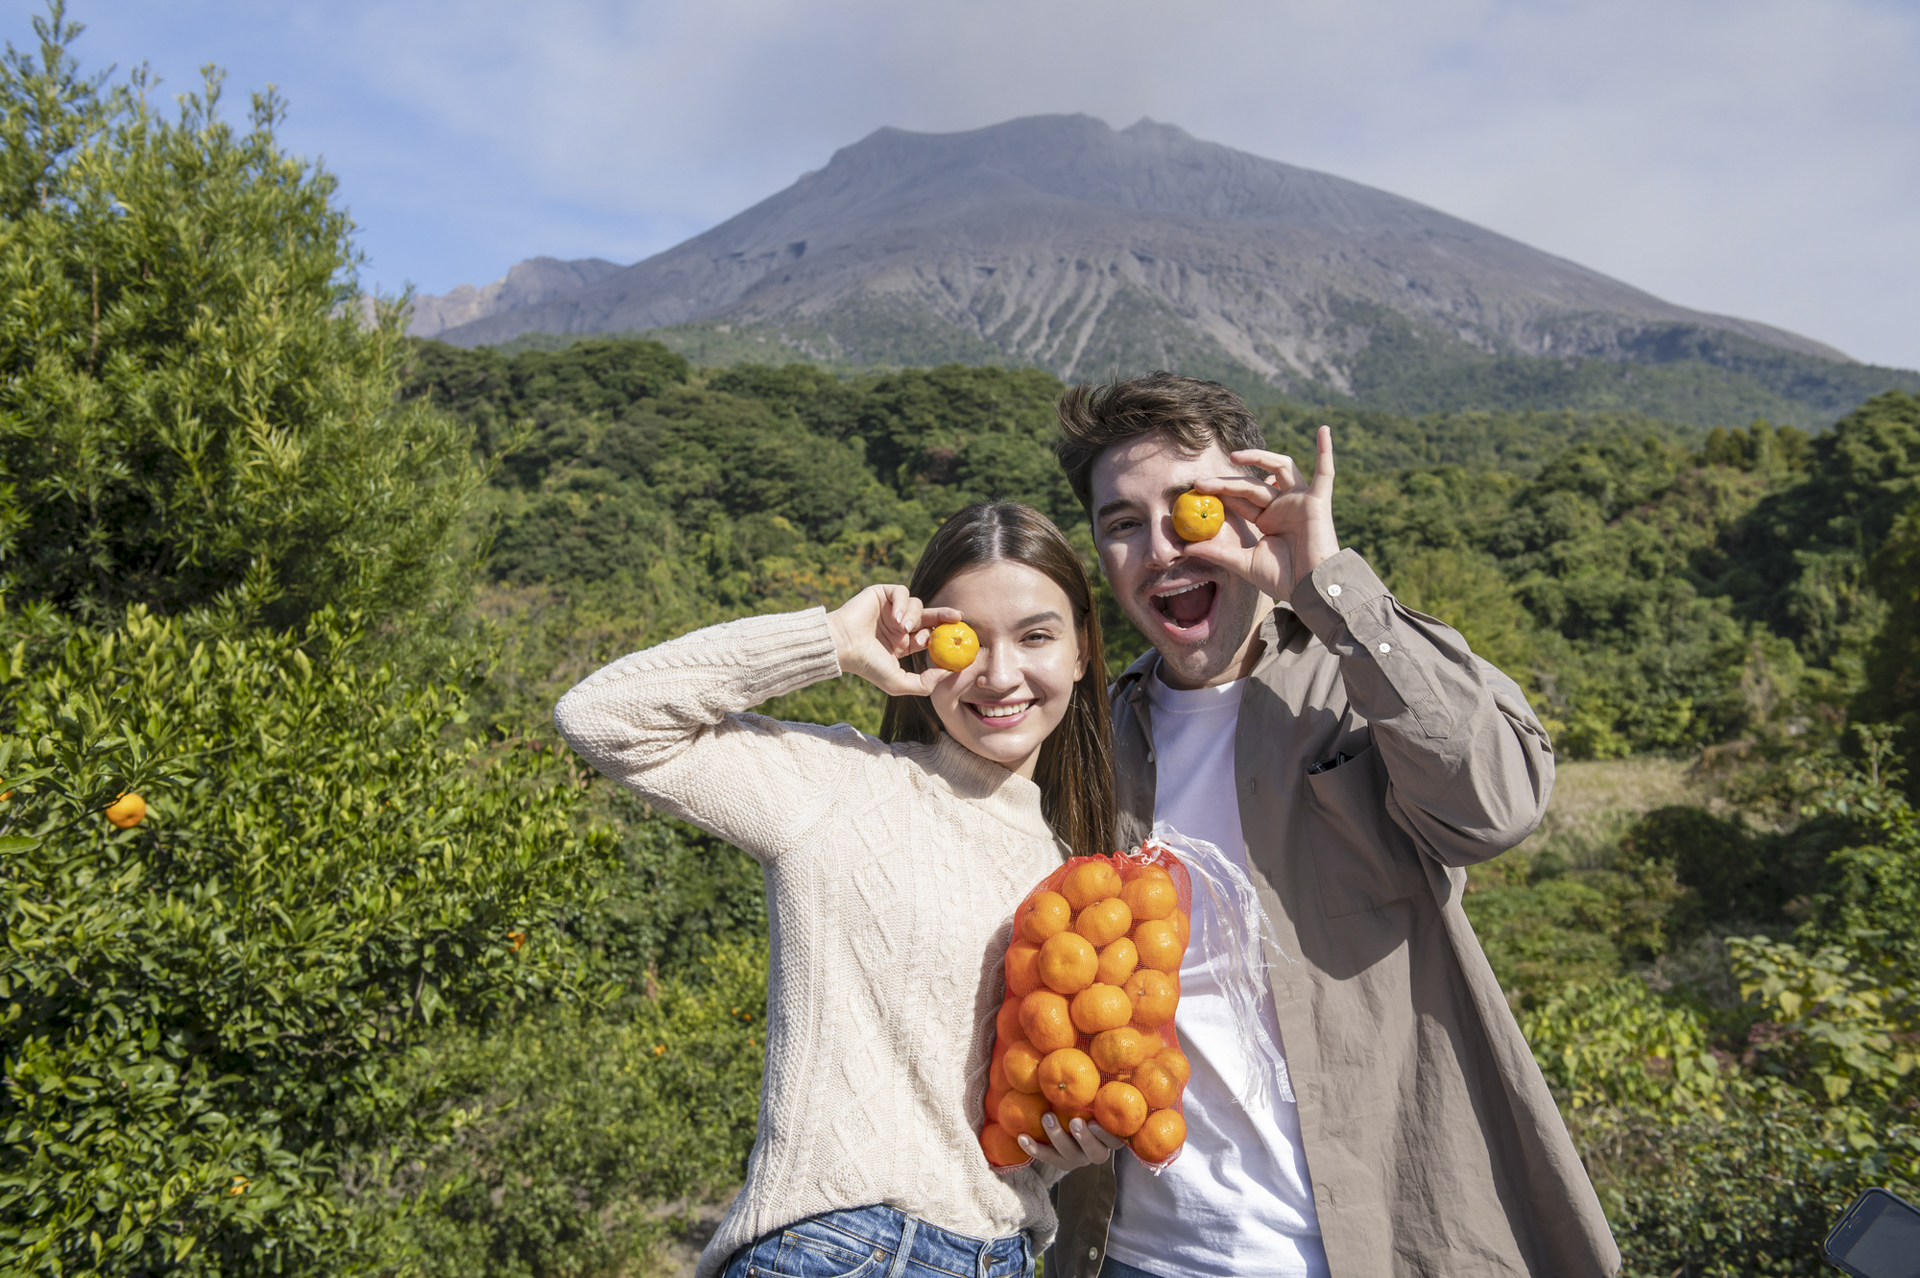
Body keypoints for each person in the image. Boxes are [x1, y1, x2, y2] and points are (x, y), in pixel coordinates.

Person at [1045, 374, 1619, 1278]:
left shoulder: (1359, 683)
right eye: (1122, 524)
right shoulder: (1090, 744)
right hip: (1140, 1256)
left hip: (1377, 1245)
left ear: (1252, 511)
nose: (1160, 549)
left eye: (1189, 508)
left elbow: (1499, 803)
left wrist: (1332, 592)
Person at [554, 501, 1127, 1278]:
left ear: (1083, 648)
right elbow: (601, 717)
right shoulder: (841, 786)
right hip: (836, 1251)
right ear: (924, 647)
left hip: (999, 1257)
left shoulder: (1077, 875)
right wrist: (831, 640)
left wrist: (1060, 1147)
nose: (999, 674)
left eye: (1035, 636)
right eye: (968, 640)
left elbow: (981, 1136)